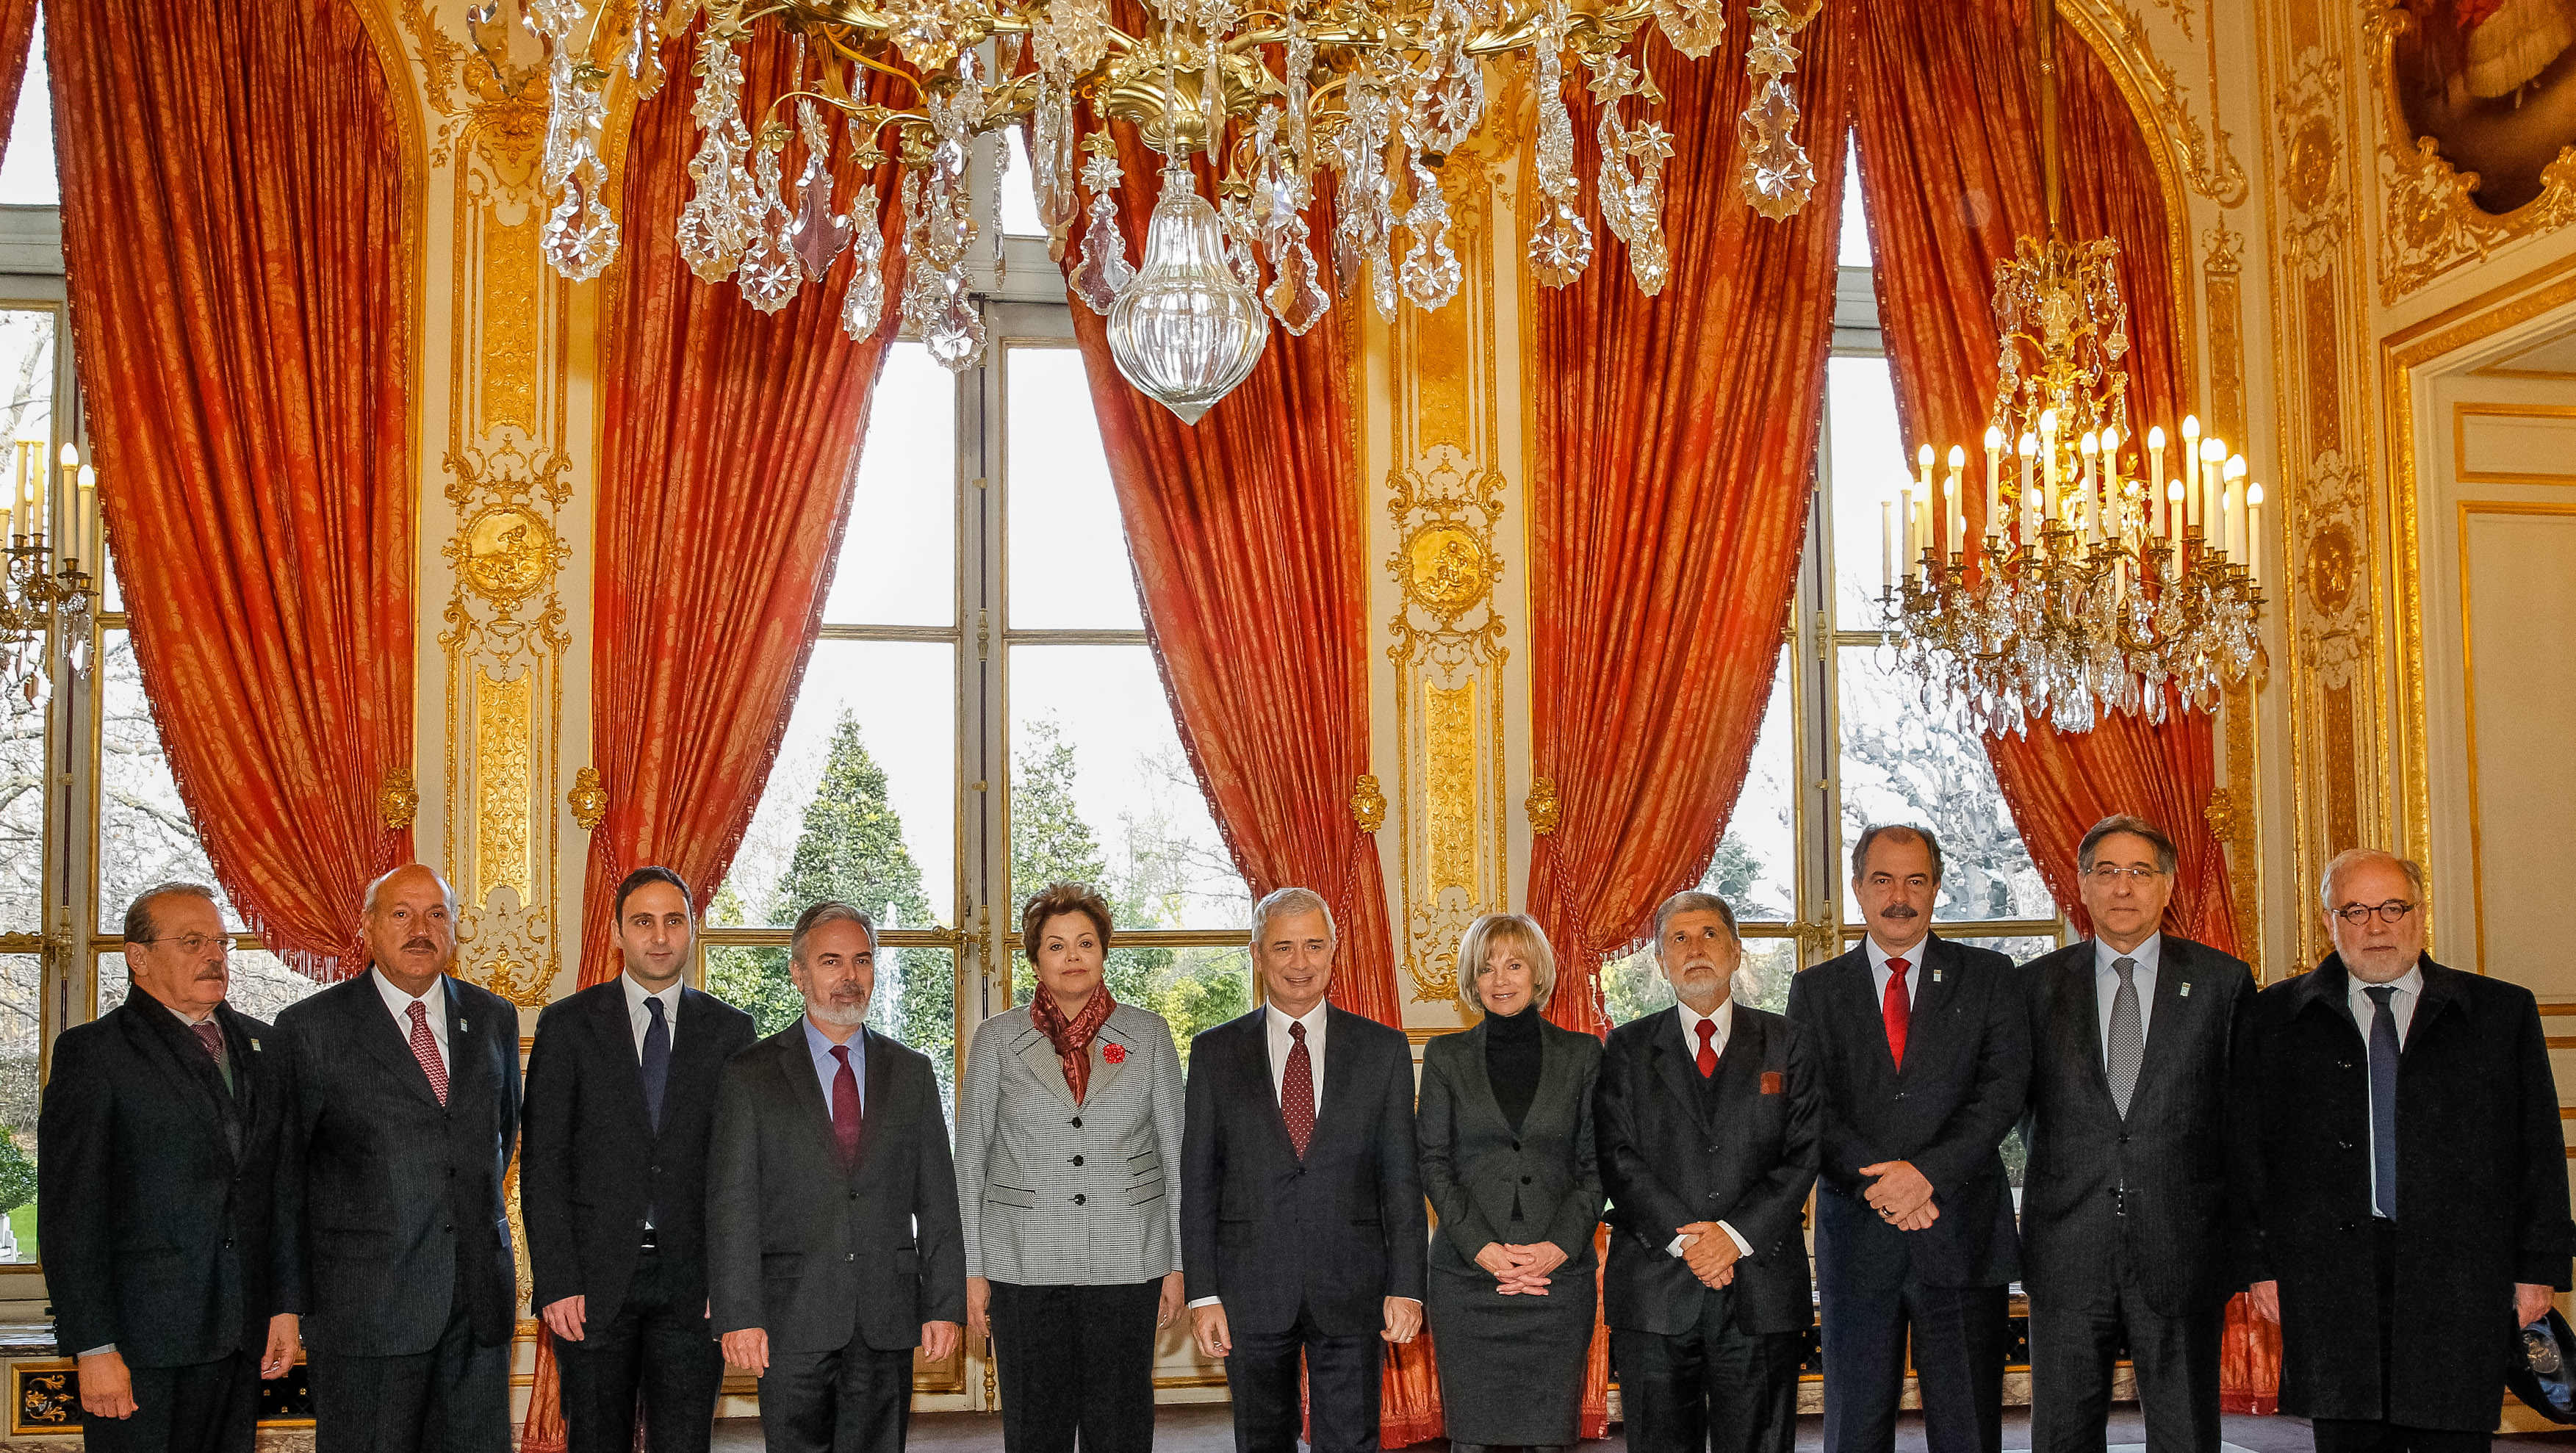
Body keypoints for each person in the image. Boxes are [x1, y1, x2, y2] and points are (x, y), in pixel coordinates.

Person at [2231, 849, 2575, 1453]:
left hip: (2461, 1277)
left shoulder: (2499, 1012)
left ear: (2420, 914)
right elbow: (2248, 1154)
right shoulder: (2272, 1019)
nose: (2376, 926)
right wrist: (2259, 1266)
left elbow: (2538, 1151)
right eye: (2355, 910)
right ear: (2329, 923)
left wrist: (2537, 1270)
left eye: (2393, 907)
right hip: (2329, 1279)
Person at [1785, 825, 2028, 1453]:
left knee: (1969, 1428)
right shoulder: (1815, 989)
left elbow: (2002, 1091)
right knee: (1853, 1427)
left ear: (1937, 888)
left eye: (1915, 880)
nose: (1900, 896)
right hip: (1859, 1236)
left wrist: (1925, 1177)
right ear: (1859, 889)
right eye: (1884, 880)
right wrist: (1886, 1182)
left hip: (1961, 1229)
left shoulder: (1990, 975)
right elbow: (1809, 1104)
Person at [38, 882, 302, 1453]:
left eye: (221, 943)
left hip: (241, 1338)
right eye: (192, 942)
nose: (214, 956)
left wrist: (284, 1304)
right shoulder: (94, 1054)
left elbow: (278, 1188)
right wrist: (94, 1347)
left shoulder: (266, 1047)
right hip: (139, 1348)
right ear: (139, 957)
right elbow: (70, 1215)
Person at [2018, 815, 2253, 1453]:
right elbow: (2012, 1106)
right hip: (2067, 1245)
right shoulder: (2033, 986)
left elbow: (2242, 1123)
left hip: (2182, 1244)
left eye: (2141, 872)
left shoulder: (2222, 983)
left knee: (2185, 1435)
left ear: (2169, 885)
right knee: (2062, 1435)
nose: (2124, 888)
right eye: (2107, 872)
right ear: (2082, 885)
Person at [276, 865, 522, 1453]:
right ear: (367, 927)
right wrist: (285, 1305)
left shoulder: (493, 1018)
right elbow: (283, 1178)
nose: (421, 929)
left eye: (437, 914)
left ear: (456, 930)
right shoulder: (310, 1028)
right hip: (365, 1313)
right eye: (401, 914)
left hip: (476, 1311)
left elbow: (500, 1137)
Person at [708, 901, 965, 1453]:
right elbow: (732, 1205)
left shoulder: (912, 1072)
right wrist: (738, 1314)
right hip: (788, 1318)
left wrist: (944, 1305)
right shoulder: (749, 1074)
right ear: (799, 974)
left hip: (886, 1315)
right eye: (831, 962)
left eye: (862, 961)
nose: (849, 977)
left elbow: (939, 1200)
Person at [1181, 886, 1426, 1453]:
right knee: (1262, 1440)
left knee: (1351, 1440)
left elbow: (1402, 1181)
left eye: (1314, 946)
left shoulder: (1383, 1049)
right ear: (1257, 954)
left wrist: (1407, 1286)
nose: (1300, 963)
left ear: (1334, 953)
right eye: (1283, 947)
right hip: (1249, 1288)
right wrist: (1204, 1295)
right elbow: (1199, 1184)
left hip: (1354, 1286)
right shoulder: (1214, 1052)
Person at [521, 866, 757, 1453]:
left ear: (692, 931)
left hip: (694, 1286)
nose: (659, 936)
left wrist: (730, 1283)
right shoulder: (568, 1024)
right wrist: (557, 1280)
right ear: (616, 932)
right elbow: (543, 1165)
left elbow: (741, 1173)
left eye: (673, 921)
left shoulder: (731, 1031)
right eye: (643, 921)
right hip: (593, 1287)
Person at [957, 882, 1186, 1453]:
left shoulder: (1149, 1035)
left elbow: (1176, 1154)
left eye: (1086, 942)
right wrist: (972, 1269)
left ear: (1104, 952)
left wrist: (1180, 1264)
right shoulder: (997, 1040)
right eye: (1056, 946)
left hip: (1128, 1261)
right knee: (1036, 1431)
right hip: (1022, 1264)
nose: (1074, 956)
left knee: (1121, 1428)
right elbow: (970, 1159)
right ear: (1035, 959)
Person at [1597, 893, 1821, 1453]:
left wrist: (1732, 1238)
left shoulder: (1787, 1042)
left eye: (1710, 935)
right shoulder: (1624, 1047)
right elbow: (1616, 1157)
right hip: (1655, 1289)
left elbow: (1804, 1152)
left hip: (1760, 1286)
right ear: (1660, 960)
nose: (1696, 949)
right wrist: (1690, 1241)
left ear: (1737, 952)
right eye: (1679, 939)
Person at [1417, 913, 1605, 1453]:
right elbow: (1433, 1162)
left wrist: (1556, 1249)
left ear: (1537, 971)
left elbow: (1597, 1167)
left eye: (1514, 964)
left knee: (1550, 1439)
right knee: (1471, 1442)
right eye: (1486, 968)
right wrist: (1484, 1249)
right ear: (1471, 981)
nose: (1500, 979)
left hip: (1558, 1279)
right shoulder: (1445, 1057)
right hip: (1467, 1278)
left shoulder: (1583, 1055)